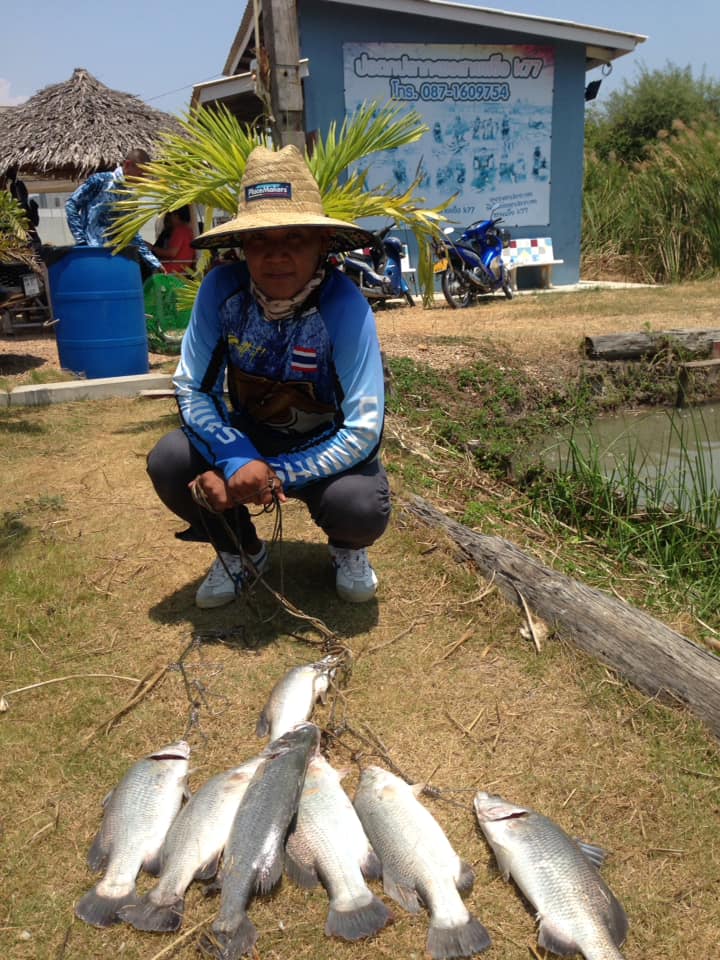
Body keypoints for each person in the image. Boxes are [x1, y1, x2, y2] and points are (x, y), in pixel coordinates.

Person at [146, 144, 391, 608]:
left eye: (295, 237)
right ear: (242, 247)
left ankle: (348, 549)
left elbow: (363, 429)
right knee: (171, 460)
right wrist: (237, 459)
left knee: (359, 507)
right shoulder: (222, 290)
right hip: (251, 436)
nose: (276, 255)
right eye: (260, 239)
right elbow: (192, 388)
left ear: (323, 244)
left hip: (329, 445)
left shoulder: (345, 307)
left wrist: (271, 475)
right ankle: (241, 551)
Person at [65, 148, 161, 276]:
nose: (142, 180)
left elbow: (131, 232)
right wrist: (82, 242)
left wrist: (154, 262)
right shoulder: (101, 181)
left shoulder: (131, 195)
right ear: (127, 165)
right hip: (93, 254)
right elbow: (71, 204)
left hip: (118, 258)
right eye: (140, 175)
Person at [3, 165, 41, 252]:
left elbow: (35, 222)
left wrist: (34, 208)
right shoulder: (15, 186)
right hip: (24, 229)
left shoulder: (17, 185)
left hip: (28, 233)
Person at [151, 205, 195, 275]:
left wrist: (155, 249)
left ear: (176, 216)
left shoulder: (179, 230)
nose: (168, 219)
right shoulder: (189, 230)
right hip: (182, 269)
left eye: (170, 215)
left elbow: (172, 253)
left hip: (171, 270)